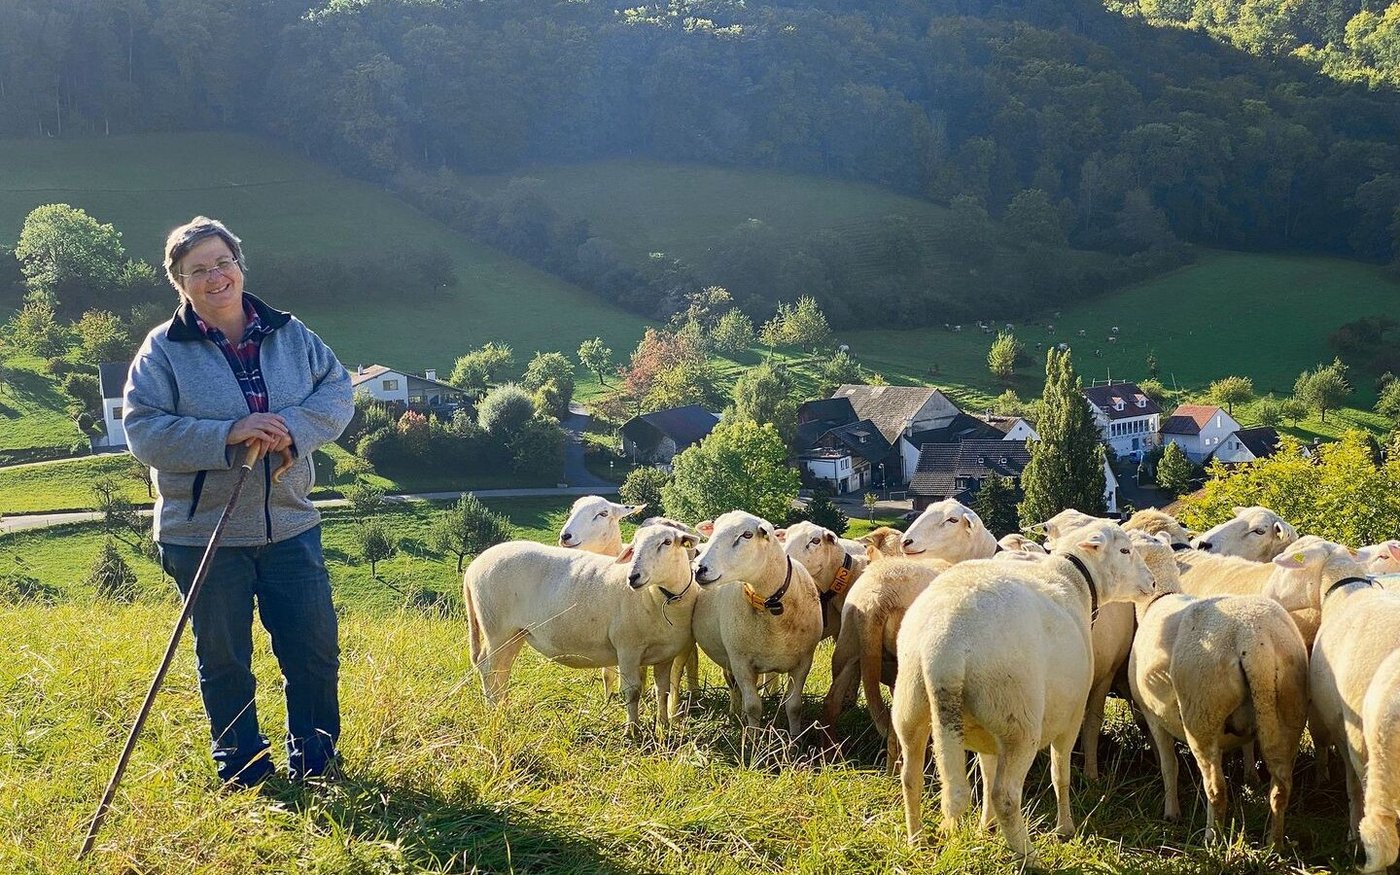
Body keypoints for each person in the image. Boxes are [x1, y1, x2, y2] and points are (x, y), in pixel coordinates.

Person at [124, 216, 354, 789]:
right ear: (179, 283)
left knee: (313, 651)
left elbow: (338, 390)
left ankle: (317, 763)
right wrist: (230, 431)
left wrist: (290, 429)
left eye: (222, 262)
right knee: (225, 661)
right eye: (197, 270)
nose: (214, 276)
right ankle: (244, 769)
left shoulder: (290, 334)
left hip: (291, 524)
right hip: (203, 533)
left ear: (240, 264)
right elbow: (144, 432)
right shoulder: (163, 350)